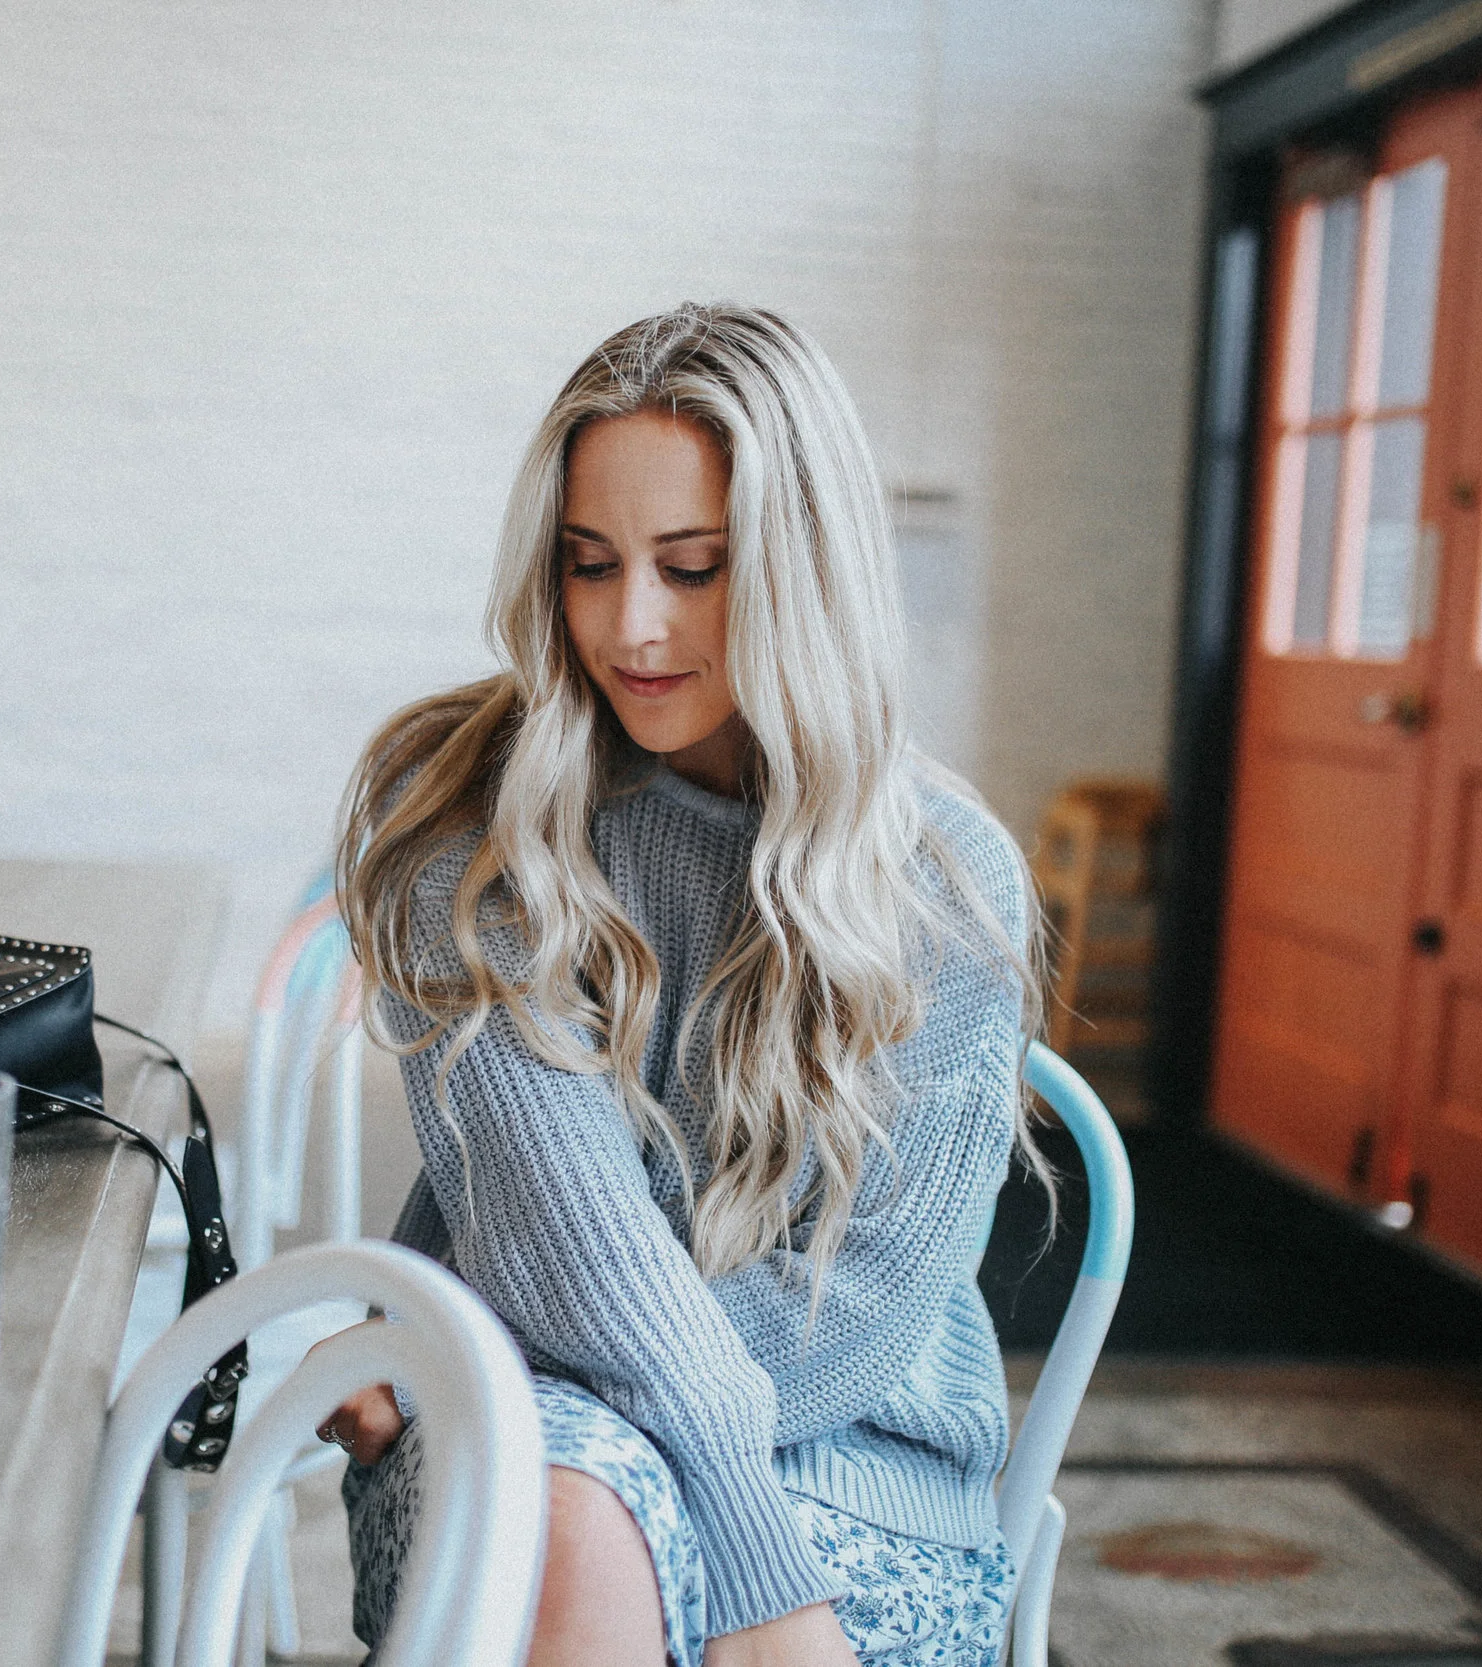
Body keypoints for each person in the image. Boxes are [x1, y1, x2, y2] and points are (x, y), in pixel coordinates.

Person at [312, 303, 1043, 1667]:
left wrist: (479, 1324)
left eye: (693, 568)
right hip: (536, 1443)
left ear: (805, 571)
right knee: (578, 1513)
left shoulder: (945, 879)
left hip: (861, 1468)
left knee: (587, 1507)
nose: (631, 626)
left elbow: (859, 1313)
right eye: (589, 564)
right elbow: (568, 1230)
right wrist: (757, 1575)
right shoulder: (468, 827)